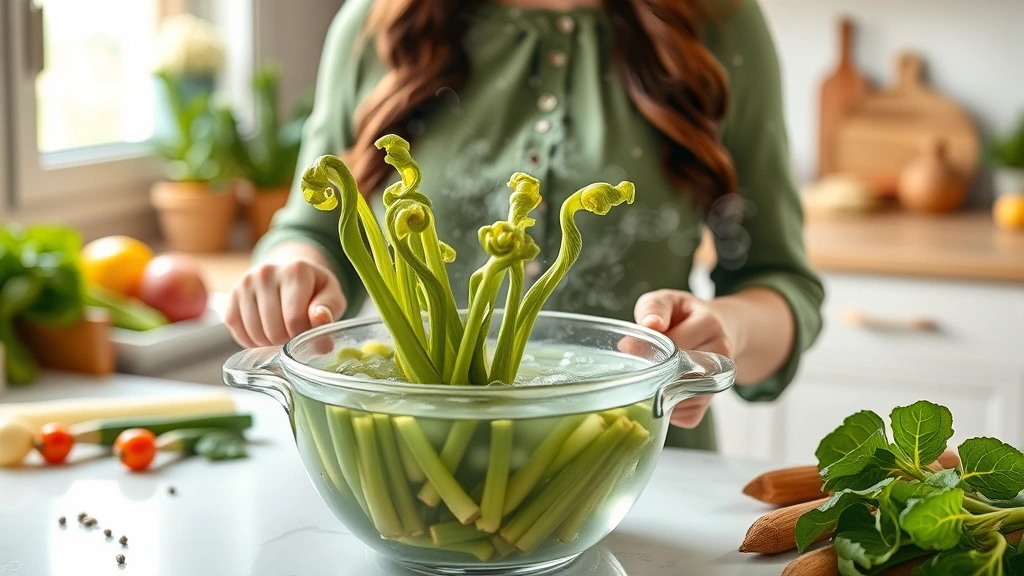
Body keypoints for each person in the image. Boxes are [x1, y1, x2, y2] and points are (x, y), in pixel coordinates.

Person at [225, 0, 824, 450]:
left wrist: (726, 330)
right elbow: (316, 231)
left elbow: (780, 283)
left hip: (632, 475)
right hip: (397, 471)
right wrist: (290, 272)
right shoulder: (379, 20)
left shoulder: (719, 25)